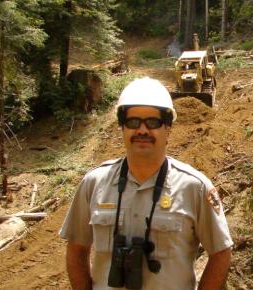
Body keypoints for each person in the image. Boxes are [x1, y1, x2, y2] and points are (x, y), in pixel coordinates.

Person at [59, 77, 233, 290]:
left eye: (153, 122)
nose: (142, 130)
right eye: (133, 122)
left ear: (167, 128)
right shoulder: (93, 183)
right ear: (122, 127)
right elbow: (77, 249)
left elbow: (221, 252)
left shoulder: (195, 188)